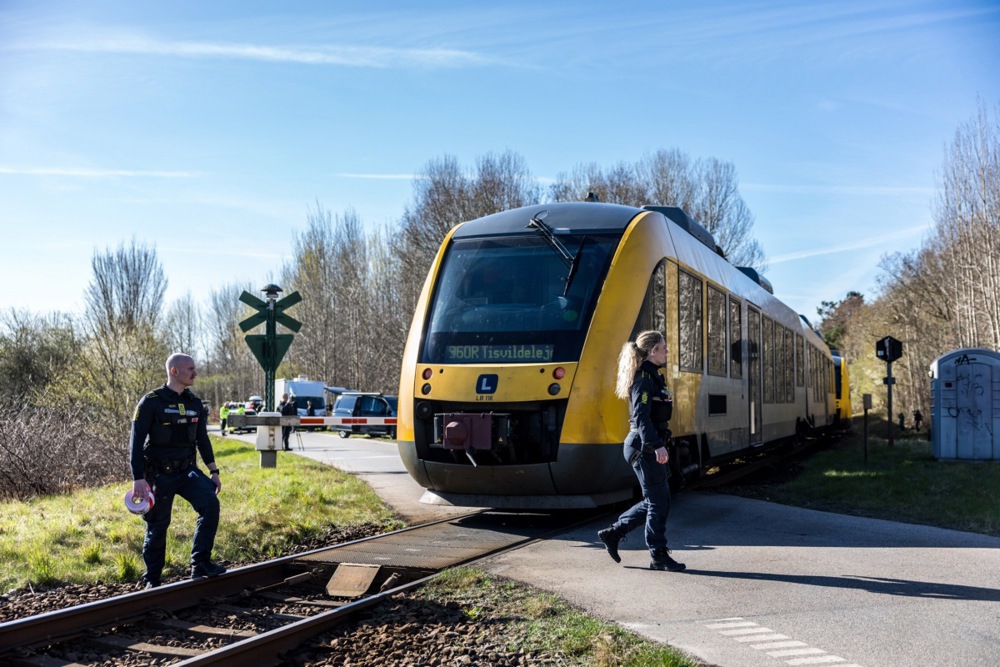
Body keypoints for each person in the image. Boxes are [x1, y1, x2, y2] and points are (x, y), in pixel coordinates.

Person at [129, 353, 225, 589]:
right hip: (158, 474)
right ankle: (152, 578)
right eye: (190, 369)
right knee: (158, 524)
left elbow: (202, 439)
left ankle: (200, 562)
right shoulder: (151, 402)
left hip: (186, 471)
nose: (195, 373)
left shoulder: (194, 403)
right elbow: (135, 441)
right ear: (174, 371)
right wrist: (138, 478)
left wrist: (213, 471)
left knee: (210, 504)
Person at [597, 330, 686, 572]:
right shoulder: (644, 380)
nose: (667, 351)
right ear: (651, 351)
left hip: (646, 444)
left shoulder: (653, 377)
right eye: (663, 347)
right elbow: (641, 417)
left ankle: (614, 533)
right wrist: (656, 446)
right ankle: (658, 554)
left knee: (657, 500)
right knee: (659, 502)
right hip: (643, 446)